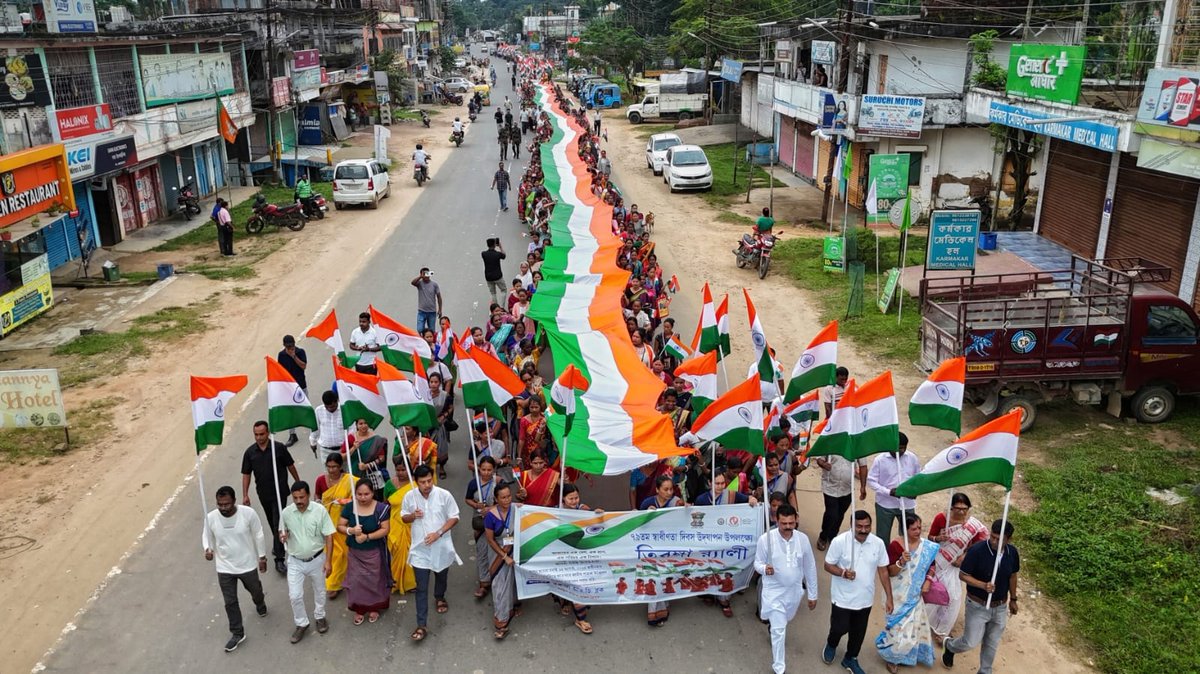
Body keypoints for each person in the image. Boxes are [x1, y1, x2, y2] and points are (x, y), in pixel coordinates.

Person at [942, 520, 1020, 674]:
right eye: (993, 537)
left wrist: (1013, 599)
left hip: (1000, 606)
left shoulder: (1012, 553)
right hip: (977, 605)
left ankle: (985, 671)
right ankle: (950, 646)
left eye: (999, 539)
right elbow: (963, 575)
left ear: (1008, 540)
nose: (994, 541)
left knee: (992, 643)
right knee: (970, 642)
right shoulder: (977, 551)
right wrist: (982, 585)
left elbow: (1013, 576)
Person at [823, 509, 895, 674]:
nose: (863, 530)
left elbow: (883, 571)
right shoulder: (839, 541)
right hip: (842, 597)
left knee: (858, 633)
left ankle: (850, 658)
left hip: (865, 599)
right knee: (839, 628)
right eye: (859, 526)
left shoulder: (878, 543)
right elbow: (828, 565)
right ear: (851, 525)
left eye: (867, 526)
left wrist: (889, 597)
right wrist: (843, 573)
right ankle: (831, 644)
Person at [203, 485, 268, 653]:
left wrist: (262, 557)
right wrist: (207, 549)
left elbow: (258, 533)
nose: (223, 508)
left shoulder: (248, 514)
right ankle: (237, 633)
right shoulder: (210, 517)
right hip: (224, 567)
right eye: (220, 504)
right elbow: (207, 536)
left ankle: (260, 602)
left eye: (227, 504)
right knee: (230, 602)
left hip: (247, 564)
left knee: (255, 591)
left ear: (234, 501)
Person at [756, 504, 819, 674]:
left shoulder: (803, 539)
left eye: (791, 523)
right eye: (784, 523)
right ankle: (779, 668)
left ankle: (775, 625)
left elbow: (810, 567)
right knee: (779, 630)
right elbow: (757, 563)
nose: (788, 527)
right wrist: (764, 569)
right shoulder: (765, 539)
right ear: (776, 520)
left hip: (794, 592)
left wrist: (813, 594)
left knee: (786, 619)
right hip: (773, 591)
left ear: (796, 519)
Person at [401, 464, 461, 642]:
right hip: (420, 550)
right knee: (421, 587)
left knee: (441, 575)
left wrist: (438, 533)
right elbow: (403, 517)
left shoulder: (444, 495)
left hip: (441, 546)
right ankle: (421, 624)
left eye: (429, 480)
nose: (426, 485)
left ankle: (439, 596)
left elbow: (455, 517)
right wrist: (413, 516)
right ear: (416, 482)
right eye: (422, 482)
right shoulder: (410, 496)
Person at [877, 515, 939, 672]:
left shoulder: (927, 547)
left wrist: (928, 581)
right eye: (914, 529)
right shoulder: (896, 546)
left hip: (915, 596)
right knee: (898, 627)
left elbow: (932, 565)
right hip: (898, 595)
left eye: (920, 527)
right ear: (905, 530)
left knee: (913, 627)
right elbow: (889, 572)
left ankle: (909, 654)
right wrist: (901, 561)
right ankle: (892, 658)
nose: (918, 531)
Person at [926, 493, 989, 643]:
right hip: (940, 560)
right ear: (951, 507)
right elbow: (930, 537)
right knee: (936, 591)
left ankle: (941, 631)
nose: (961, 512)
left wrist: (964, 556)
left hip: (956, 564)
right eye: (957, 508)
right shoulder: (942, 519)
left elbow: (977, 543)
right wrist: (938, 538)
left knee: (953, 597)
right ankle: (927, 620)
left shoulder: (971, 525)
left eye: (964, 509)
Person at [241, 420, 300, 575]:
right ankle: (277, 544)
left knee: (277, 523)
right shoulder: (250, 453)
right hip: (264, 493)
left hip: (280, 492)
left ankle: (279, 559)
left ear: (268, 433)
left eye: (262, 434)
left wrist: (298, 482)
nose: (259, 437)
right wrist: (245, 494)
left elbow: (290, 465)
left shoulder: (278, 448)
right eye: (256, 434)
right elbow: (246, 474)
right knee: (271, 521)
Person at [279, 480, 335, 643]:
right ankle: (301, 623)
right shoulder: (286, 513)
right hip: (295, 561)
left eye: (301, 497)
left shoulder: (320, 511)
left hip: (317, 559)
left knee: (320, 590)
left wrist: (329, 561)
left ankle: (320, 616)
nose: (298, 501)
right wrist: (283, 536)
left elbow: (329, 536)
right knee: (295, 595)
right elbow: (282, 533)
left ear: (308, 495)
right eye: (295, 498)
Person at [337, 479, 392, 625]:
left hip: (373, 552)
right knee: (356, 581)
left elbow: (385, 529)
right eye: (359, 494)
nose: (362, 497)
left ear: (373, 493)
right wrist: (351, 530)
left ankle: (374, 607)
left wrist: (367, 537)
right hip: (355, 553)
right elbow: (340, 526)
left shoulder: (381, 509)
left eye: (366, 494)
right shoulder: (350, 507)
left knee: (373, 580)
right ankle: (360, 608)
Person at [867, 433, 921, 542]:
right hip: (885, 505)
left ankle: (904, 557)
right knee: (882, 536)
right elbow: (871, 481)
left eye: (902, 448)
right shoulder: (880, 460)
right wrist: (888, 492)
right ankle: (884, 558)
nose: (899, 451)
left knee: (908, 536)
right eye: (896, 448)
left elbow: (918, 478)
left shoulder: (912, 458)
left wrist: (915, 491)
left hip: (907, 505)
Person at [484, 481, 519, 639]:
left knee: (511, 582)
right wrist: (504, 556)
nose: (507, 500)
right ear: (496, 499)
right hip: (498, 553)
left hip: (514, 550)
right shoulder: (490, 515)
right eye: (503, 498)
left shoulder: (517, 509)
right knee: (499, 586)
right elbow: (490, 540)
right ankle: (501, 621)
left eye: (509, 496)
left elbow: (536, 513)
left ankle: (510, 609)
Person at [314, 453, 352, 599]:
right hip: (327, 521)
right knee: (334, 553)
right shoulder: (321, 480)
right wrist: (317, 503)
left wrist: (345, 502)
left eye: (334, 466)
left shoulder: (349, 480)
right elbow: (317, 496)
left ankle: (346, 578)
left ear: (340, 466)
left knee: (345, 552)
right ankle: (333, 584)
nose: (331, 470)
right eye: (329, 467)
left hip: (344, 521)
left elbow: (358, 498)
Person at [814, 452, 867, 551]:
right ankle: (823, 536)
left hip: (847, 488)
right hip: (830, 486)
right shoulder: (831, 440)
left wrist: (863, 486)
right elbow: (819, 458)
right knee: (831, 513)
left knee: (840, 513)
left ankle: (833, 535)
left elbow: (863, 466)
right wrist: (823, 464)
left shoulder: (857, 444)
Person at [465, 456, 501, 599]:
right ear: (479, 469)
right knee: (482, 552)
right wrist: (476, 505)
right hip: (480, 523)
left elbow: (505, 500)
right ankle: (484, 582)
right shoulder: (474, 483)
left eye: (489, 470)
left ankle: (497, 578)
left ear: (494, 470)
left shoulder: (498, 483)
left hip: (497, 522)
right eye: (483, 469)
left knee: (497, 552)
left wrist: (491, 508)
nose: (486, 473)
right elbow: (467, 499)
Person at [383, 459, 418, 595]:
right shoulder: (389, 485)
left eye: (403, 470)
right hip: (394, 524)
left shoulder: (415, 485)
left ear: (409, 470)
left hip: (411, 523)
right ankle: (395, 580)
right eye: (398, 470)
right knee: (397, 550)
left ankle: (410, 582)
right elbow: (385, 503)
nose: (400, 473)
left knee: (410, 551)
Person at [348, 418, 389, 500]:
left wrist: (367, 466)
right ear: (356, 425)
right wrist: (353, 448)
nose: (364, 425)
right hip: (354, 473)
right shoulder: (351, 438)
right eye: (361, 423)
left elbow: (381, 458)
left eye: (366, 423)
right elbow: (343, 456)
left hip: (371, 475)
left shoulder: (376, 439)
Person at [278, 335, 307, 446]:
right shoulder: (281, 355)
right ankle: (292, 434)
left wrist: (294, 356)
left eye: (292, 345)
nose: (291, 348)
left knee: (305, 407)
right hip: (289, 387)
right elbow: (281, 370)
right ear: (284, 346)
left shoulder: (300, 352)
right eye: (288, 346)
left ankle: (313, 427)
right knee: (290, 411)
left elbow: (303, 366)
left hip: (301, 385)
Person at [310, 390, 342, 463]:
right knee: (328, 473)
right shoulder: (318, 411)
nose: (330, 409)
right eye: (327, 407)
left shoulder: (344, 410)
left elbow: (351, 429)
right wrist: (313, 442)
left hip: (342, 451)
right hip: (326, 451)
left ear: (337, 401)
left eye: (333, 406)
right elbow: (315, 428)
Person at [411, 268, 442, 335]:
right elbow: (412, 282)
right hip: (422, 311)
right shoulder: (419, 284)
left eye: (427, 273)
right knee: (420, 329)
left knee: (432, 330)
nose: (426, 276)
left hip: (432, 312)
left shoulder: (434, 285)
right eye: (424, 274)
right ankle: (422, 341)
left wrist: (440, 309)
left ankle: (430, 342)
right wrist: (420, 277)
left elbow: (439, 297)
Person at [482, 237, 507, 304]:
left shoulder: (483, 254)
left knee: (493, 293)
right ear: (494, 245)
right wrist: (500, 247)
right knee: (503, 290)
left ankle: (495, 307)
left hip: (488, 277)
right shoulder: (498, 254)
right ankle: (502, 307)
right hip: (498, 276)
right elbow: (504, 256)